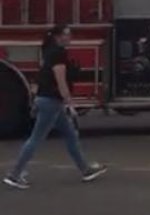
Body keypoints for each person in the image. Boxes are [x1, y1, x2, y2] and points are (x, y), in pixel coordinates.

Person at [4, 25, 106, 190]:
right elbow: (60, 80)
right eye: (67, 34)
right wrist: (69, 102)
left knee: (70, 134)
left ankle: (85, 170)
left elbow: (43, 77)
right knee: (36, 138)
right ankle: (14, 175)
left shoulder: (49, 52)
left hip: (48, 100)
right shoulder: (58, 54)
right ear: (58, 37)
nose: (70, 37)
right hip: (51, 102)